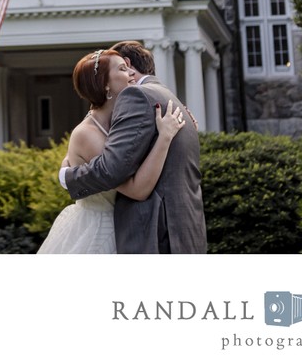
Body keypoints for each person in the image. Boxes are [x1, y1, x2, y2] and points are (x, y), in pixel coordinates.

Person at [61, 40, 207, 253]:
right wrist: (67, 176)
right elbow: (133, 185)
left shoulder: (131, 115)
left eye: (127, 67)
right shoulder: (87, 133)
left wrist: (169, 134)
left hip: (139, 229)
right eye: (121, 69)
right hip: (103, 230)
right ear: (104, 84)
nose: (130, 73)